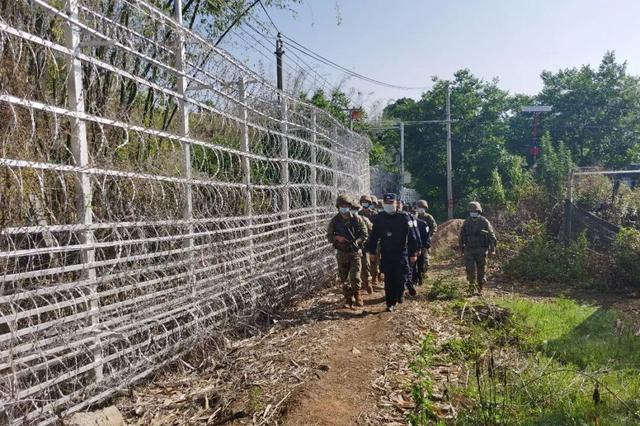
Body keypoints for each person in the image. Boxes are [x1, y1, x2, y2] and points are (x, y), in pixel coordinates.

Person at [367, 193, 419, 312]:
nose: (389, 206)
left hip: (401, 253)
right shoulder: (380, 217)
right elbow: (374, 236)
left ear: (396, 204)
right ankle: (390, 303)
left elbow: (412, 236)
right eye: (386, 203)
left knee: (400, 278)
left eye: (391, 203)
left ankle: (399, 294)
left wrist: (413, 253)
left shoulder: (404, 217)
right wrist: (372, 251)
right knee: (389, 279)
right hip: (386, 253)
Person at [327, 195, 368, 308]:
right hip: (342, 253)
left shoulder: (357, 219)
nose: (344, 208)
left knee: (355, 277)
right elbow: (329, 236)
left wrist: (357, 241)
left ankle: (357, 294)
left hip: (355, 252)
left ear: (350, 207)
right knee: (344, 278)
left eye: (346, 206)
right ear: (338, 207)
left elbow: (365, 234)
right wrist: (337, 238)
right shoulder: (334, 221)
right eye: (341, 206)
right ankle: (348, 298)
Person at [459, 201, 497, 295]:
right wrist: (462, 249)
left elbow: (491, 236)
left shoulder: (484, 221)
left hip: (481, 249)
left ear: (479, 211)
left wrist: (493, 249)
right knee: (470, 269)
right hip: (469, 249)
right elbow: (462, 236)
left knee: (481, 270)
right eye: (471, 211)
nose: (473, 212)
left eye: (475, 210)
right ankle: (471, 287)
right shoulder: (466, 222)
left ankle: (480, 287)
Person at [397, 199, 421, 297]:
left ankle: (408, 285)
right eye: (396, 204)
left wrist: (417, 249)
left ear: (402, 205)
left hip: (406, 248)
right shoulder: (386, 218)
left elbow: (415, 234)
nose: (397, 206)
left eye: (399, 204)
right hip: (393, 249)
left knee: (407, 269)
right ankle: (400, 289)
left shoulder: (408, 217)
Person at [352, 199, 374, 294]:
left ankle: (368, 283)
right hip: (351, 248)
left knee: (366, 266)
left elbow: (372, 230)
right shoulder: (345, 221)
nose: (353, 211)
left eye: (355, 209)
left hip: (363, 247)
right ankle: (356, 289)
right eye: (352, 209)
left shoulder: (364, 219)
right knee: (354, 269)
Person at [414, 200, 437, 285]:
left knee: (425, 261)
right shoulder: (414, 217)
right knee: (415, 261)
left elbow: (434, 227)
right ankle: (416, 277)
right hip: (415, 242)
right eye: (419, 207)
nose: (420, 209)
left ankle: (423, 274)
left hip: (424, 242)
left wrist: (429, 236)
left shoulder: (428, 217)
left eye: (422, 207)